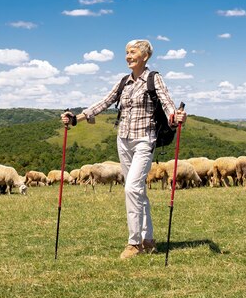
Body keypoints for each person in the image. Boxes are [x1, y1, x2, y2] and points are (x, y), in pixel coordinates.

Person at [61, 39, 187, 259]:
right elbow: (105, 101)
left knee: (131, 188)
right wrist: (76, 118)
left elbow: (167, 103)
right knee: (138, 191)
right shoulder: (124, 82)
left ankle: (134, 242)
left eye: (133, 52)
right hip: (123, 140)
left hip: (145, 140)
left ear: (145, 56)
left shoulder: (153, 78)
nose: (128, 56)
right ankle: (148, 240)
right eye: (127, 52)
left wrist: (175, 116)